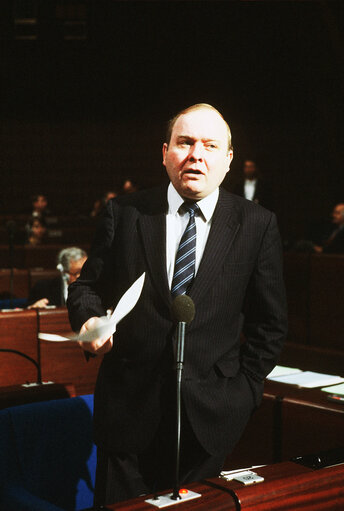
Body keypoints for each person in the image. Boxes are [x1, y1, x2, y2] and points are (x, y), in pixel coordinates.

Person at [67, 103, 287, 506]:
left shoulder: (257, 224)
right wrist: (89, 319)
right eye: (184, 142)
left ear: (228, 159)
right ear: (165, 152)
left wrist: (242, 393)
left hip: (210, 422)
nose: (196, 155)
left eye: (209, 145)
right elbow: (86, 287)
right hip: (127, 416)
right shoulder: (125, 212)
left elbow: (270, 326)